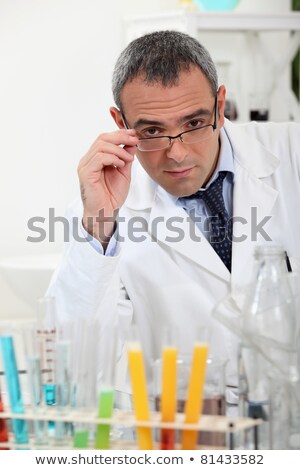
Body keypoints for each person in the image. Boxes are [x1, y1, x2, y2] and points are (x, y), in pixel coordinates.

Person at [47, 30, 300, 399]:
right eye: (152, 131)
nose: (177, 153)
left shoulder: (291, 152)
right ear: (121, 123)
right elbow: (73, 367)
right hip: (186, 438)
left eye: (194, 124)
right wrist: (98, 228)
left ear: (220, 105)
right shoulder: (102, 208)